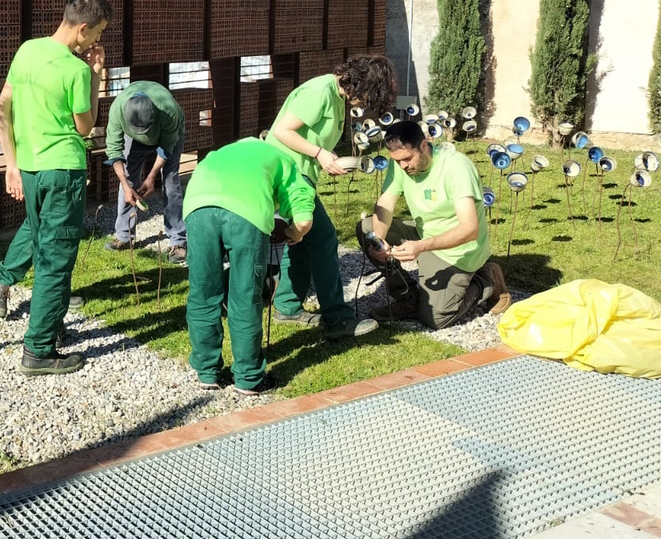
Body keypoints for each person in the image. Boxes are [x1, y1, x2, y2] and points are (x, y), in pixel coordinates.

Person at [0, 0, 112, 375]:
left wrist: (10, 163)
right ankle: (38, 350)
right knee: (56, 261)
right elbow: (85, 126)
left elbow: (2, 107)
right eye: (97, 35)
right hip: (63, 171)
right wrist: (95, 77)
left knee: (43, 247)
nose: (97, 43)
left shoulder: (28, 50)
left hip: (30, 167)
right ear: (82, 29)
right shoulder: (75, 70)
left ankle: (52, 327)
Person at [268, 54, 398, 339]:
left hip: (300, 177)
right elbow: (281, 131)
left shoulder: (338, 99)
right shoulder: (319, 92)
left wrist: (328, 160)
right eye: (368, 99)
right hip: (287, 175)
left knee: (301, 240)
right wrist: (319, 154)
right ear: (360, 84)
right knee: (324, 238)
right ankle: (338, 320)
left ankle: (287, 306)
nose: (365, 106)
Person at [183, 137, 316, 395]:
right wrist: (295, 231)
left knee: (203, 292)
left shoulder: (222, 151)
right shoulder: (281, 158)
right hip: (246, 211)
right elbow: (302, 209)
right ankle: (248, 377)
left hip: (198, 207)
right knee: (244, 296)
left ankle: (207, 371)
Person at [356, 120, 510, 328]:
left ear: (424, 145)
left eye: (407, 159)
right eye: (397, 161)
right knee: (368, 229)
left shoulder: (456, 167)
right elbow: (385, 203)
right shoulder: (400, 164)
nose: (403, 166)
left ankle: (487, 280)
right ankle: (408, 296)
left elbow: (469, 229)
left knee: (436, 319)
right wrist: (379, 239)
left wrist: (421, 247)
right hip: (425, 234)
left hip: (459, 249)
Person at [103, 81, 187, 263]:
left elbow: (166, 148)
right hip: (131, 137)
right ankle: (124, 237)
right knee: (127, 180)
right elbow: (114, 151)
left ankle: (177, 240)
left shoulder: (169, 111)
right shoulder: (118, 109)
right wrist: (125, 185)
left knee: (171, 181)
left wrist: (151, 176)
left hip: (167, 135)